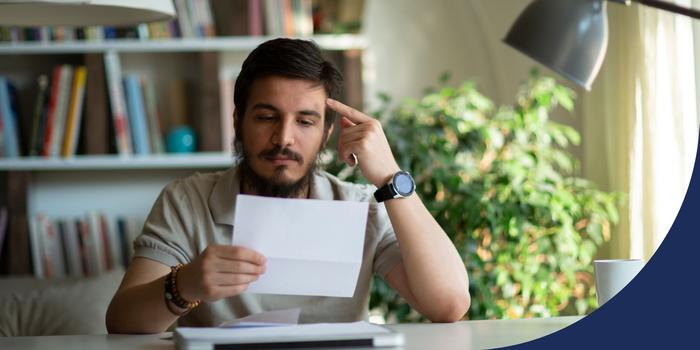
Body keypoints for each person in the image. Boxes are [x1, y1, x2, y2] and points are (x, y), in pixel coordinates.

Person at [106, 38, 469, 334]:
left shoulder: (361, 207)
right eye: (266, 117)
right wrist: (184, 285)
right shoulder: (186, 200)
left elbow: (449, 304)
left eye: (305, 122)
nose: (283, 138)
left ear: (327, 131)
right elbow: (122, 322)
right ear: (238, 121)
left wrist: (390, 177)